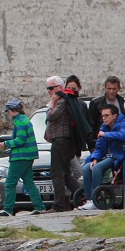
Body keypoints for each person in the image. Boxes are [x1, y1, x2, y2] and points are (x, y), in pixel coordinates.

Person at [78, 103, 125, 211]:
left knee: (98, 168)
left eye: (107, 115)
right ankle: (89, 199)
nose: (104, 118)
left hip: (117, 156)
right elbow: (99, 147)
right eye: (103, 116)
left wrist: (105, 134)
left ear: (114, 115)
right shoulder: (104, 127)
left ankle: (95, 200)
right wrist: (94, 158)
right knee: (86, 168)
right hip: (105, 156)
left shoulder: (123, 125)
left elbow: (123, 135)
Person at [0, 98, 44, 217]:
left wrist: (5, 144)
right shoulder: (24, 119)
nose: (7, 113)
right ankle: (39, 207)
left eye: (8, 111)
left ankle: (8, 209)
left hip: (20, 157)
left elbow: (20, 139)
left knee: (10, 183)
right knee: (28, 182)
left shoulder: (19, 122)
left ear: (12, 110)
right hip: (28, 156)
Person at [43, 75, 80, 212]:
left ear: (59, 87)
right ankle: (84, 197)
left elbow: (51, 116)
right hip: (60, 141)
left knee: (57, 173)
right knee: (65, 174)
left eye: (50, 88)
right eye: (47, 89)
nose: (49, 92)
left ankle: (58, 205)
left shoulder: (62, 101)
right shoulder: (63, 100)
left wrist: (51, 103)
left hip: (61, 142)